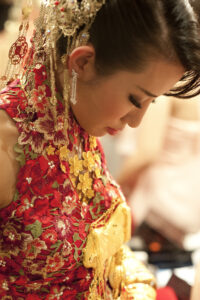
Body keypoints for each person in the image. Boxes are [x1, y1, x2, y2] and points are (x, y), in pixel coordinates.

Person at [0, 0, 200, 299]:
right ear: (82, 63)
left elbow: (100, 258)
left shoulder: (75, 125)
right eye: (135, 99)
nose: (136, 121)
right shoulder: (8, 143)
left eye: (151, 102)